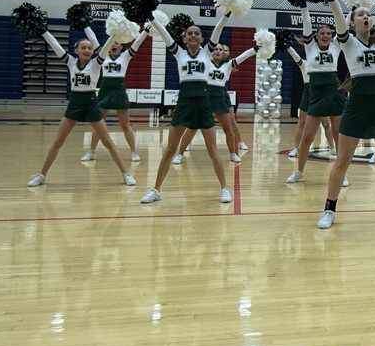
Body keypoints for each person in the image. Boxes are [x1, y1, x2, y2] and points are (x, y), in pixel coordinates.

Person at [317, 0, 375, 229]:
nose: (366, 17)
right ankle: (329, 209)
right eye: (360, 14)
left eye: (368, 14)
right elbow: (338, 16)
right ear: (352, 22)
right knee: (342, 161)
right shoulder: (347, 42)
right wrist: (333, 0)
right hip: (356, 104)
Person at [139, 14, 232, 204]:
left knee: (212, 149)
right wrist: (151, 17)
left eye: (197, 33)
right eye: (189, 34)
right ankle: (156, 189)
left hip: (203, 104)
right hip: (183, 103)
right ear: (184, 38)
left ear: (202, 39)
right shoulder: (179, 53)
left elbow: (218, 30)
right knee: (171, 149)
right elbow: (165, 34)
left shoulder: (207, 52)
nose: (193, 36)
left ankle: (224, 188)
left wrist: (226, 14)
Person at [27, 30, 135, 188]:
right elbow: (55, 45)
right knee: (58, 141)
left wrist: (115, 33)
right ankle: (42, 175)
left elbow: (105, 47)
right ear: (76, 51)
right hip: (75, 103)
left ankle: (126, 174)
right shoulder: (70, 62)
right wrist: (43, 31)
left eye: (90, 48)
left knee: (107, 141)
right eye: (83, 48)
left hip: (91, 103)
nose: (87, 50)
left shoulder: (97, 63)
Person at [285, 5, 347, 185]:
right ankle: (299, 171)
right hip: (316, 93)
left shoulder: (336, 46)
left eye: (329, 33)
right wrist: (303, 7)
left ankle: (342, 173)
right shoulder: (310, 47)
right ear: (316, 36)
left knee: (338, 137)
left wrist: (350, 7)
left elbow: (342, 24)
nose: (326, 36)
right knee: (307, 138)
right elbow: (306, 23)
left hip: (334, 91)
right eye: (322, 33)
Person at [173, 42, 256, 164]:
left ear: (224, 53)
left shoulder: (228, 65)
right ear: (211, 51)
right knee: (192, 128)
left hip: (220, 98)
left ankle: (232, 154)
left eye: (221, 49)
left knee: (228, 129)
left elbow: (244, 56)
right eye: (215, 49)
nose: (218, 51)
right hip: (205, 97)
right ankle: (179, 154)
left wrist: (256, 49)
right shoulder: (205, 61)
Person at [80, 25, 149, 164]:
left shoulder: (125, 56)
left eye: (117, 43)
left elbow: (137, 43)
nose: (114, 45)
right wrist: (86, 25)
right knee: (99, 123)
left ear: (121, 47)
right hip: (105, 89)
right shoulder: (102, 55)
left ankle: (134, 152)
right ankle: (91, 151)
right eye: (112, 43)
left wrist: (146, 31)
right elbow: (93, 39)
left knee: (125, 124)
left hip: (119, 89)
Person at [284, 43, 336, 158]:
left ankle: (332, 147)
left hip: (320, 93)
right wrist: (287, 45)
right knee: (301, 122)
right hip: (308, 92)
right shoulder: (304, 64)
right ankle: (295, 148)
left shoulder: (322, 64)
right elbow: (295, 55)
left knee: (326, 123)